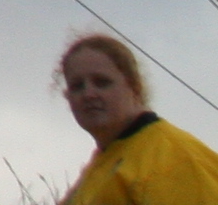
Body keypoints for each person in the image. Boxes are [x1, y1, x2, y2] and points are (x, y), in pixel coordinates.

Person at [60, 34, 218, 205]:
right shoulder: (99, 168)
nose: (88, 94)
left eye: (102, 82)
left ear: (134, 87)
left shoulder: (172, 158)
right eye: (77, 86)